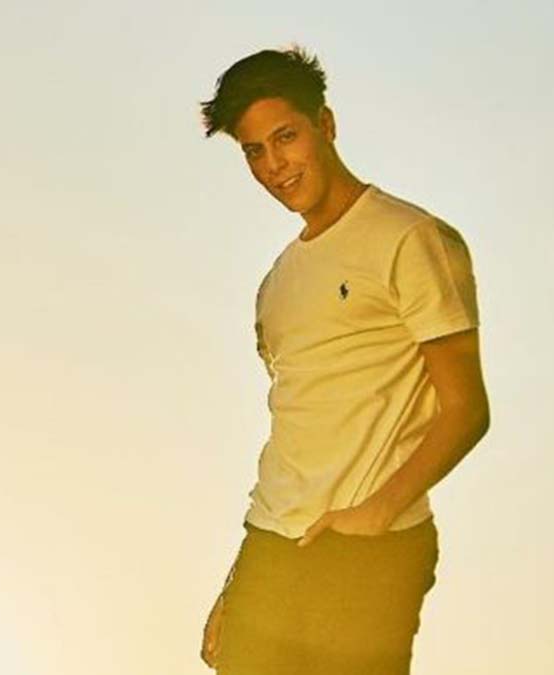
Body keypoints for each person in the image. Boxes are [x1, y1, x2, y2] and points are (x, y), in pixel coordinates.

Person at [197, 46, 491, 675]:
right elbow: (295, 441)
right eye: (254, 151)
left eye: (286, 137)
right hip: (271, 552)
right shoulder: (276, 284)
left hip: (368, 552)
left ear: (325, 125)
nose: (275, 165)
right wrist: (238, 581)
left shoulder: (409, 238)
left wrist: (378, 513)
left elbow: (466, 408)